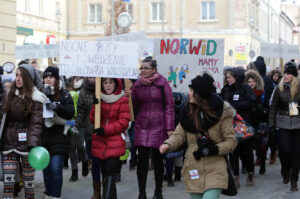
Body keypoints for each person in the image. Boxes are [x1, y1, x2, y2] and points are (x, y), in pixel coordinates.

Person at [160, 73, 237, 199]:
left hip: (215, 167)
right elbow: (179, 134)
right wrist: (167, 144)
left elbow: (231, 141)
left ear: (200, 93)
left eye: (191, 90)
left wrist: (215, 149)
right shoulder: (187, 112)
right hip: (193, 166)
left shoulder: (222, 113)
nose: (188, 93)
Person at [0, 64, 46, 199]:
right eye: (17, 75)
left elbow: (36, 124)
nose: (18, 79)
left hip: (27, 145)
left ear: (28, 78)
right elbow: (2, 118)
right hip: (9, 144)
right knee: (8, 184)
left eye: (21, 76)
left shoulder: (36, 97)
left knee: (28, 184)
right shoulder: (9, 94)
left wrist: (32, 144)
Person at [131, 56, 175, 199]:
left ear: (154, 70)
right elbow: (135, 107)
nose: (143, 70)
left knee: (157, 159)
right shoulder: (136, 85)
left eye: (146, 68)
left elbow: (169, 106)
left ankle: (158, 191)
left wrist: (169, 127)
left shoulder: (163, 84)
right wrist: (129, 97)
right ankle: (141, 193)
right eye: (141, 68)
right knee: (142, 159)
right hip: (142, 124)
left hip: (159, 125)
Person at [89, 78, 130, 199]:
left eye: (111, 82)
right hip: (100, 143)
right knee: (106, 175)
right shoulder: (99, 97)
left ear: (116, 84)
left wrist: (105, 130)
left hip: (115, 142)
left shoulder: (122, 99)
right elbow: (93, 119)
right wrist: (95, 106)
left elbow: (124, 122)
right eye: (105, 82)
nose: (108, 85)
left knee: (111, 173)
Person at [41, 66, 75, 199]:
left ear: (56, 79)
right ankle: (48, 194)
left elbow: (71, 111)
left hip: (60, 137)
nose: (48, 79)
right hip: (44, 138)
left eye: (51, 77)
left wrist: (57, 106)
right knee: (46, 170)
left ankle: (56, 196)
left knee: (55, 168)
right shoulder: (40, 93)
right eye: (46, 77)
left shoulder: (64, 93)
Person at [220, 68, 257, 187]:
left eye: (230, 76)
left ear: (236, 77)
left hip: (243, 125)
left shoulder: (245, 88)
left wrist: (235, 106)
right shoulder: (227, 89)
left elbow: (252, 103)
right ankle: (235, 178)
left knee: (246, 152)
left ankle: (250, 173)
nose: (227, 79)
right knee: (233, 152)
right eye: (227, 77)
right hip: (230, 125)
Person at [269, 62, 300, 192]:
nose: (285, 76)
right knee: (285, 151)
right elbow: (273, 107)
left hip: (298, 124)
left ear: (294, 75)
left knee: (297, 154)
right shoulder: (279, 88)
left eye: (288, 74)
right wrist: (271, 124)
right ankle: (285, 170)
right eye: (285, 73)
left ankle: (294, 180)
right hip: (283, 123)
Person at [75, 77, 99, 198]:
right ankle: (96, 192)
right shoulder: (83, 92)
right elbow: (81, 112)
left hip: (105, 133)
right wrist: (76, 125)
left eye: (95, 77)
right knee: (94, 164)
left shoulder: (106, 87)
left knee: (105, 165)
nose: (92, 79)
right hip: (91, 134)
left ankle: (109, 189)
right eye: (90, 77)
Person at [245, 69, 267, 175]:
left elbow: (266, 106)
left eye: (252, 81)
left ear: (257, 82)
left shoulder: (261, 93)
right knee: (248, 146)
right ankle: (247, 166)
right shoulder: (244, 93)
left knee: (261, 146)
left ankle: (262, 164)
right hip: (248, 122)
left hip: (259, 122)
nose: (251, 84)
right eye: (248, 82)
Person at [67, 76, 89, 182]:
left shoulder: (86, 83)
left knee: (80, 145)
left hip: (81, 120)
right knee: (71, 147)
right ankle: (74, 171)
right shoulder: (70, 81)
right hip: (70, 119)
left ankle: (85, 160)